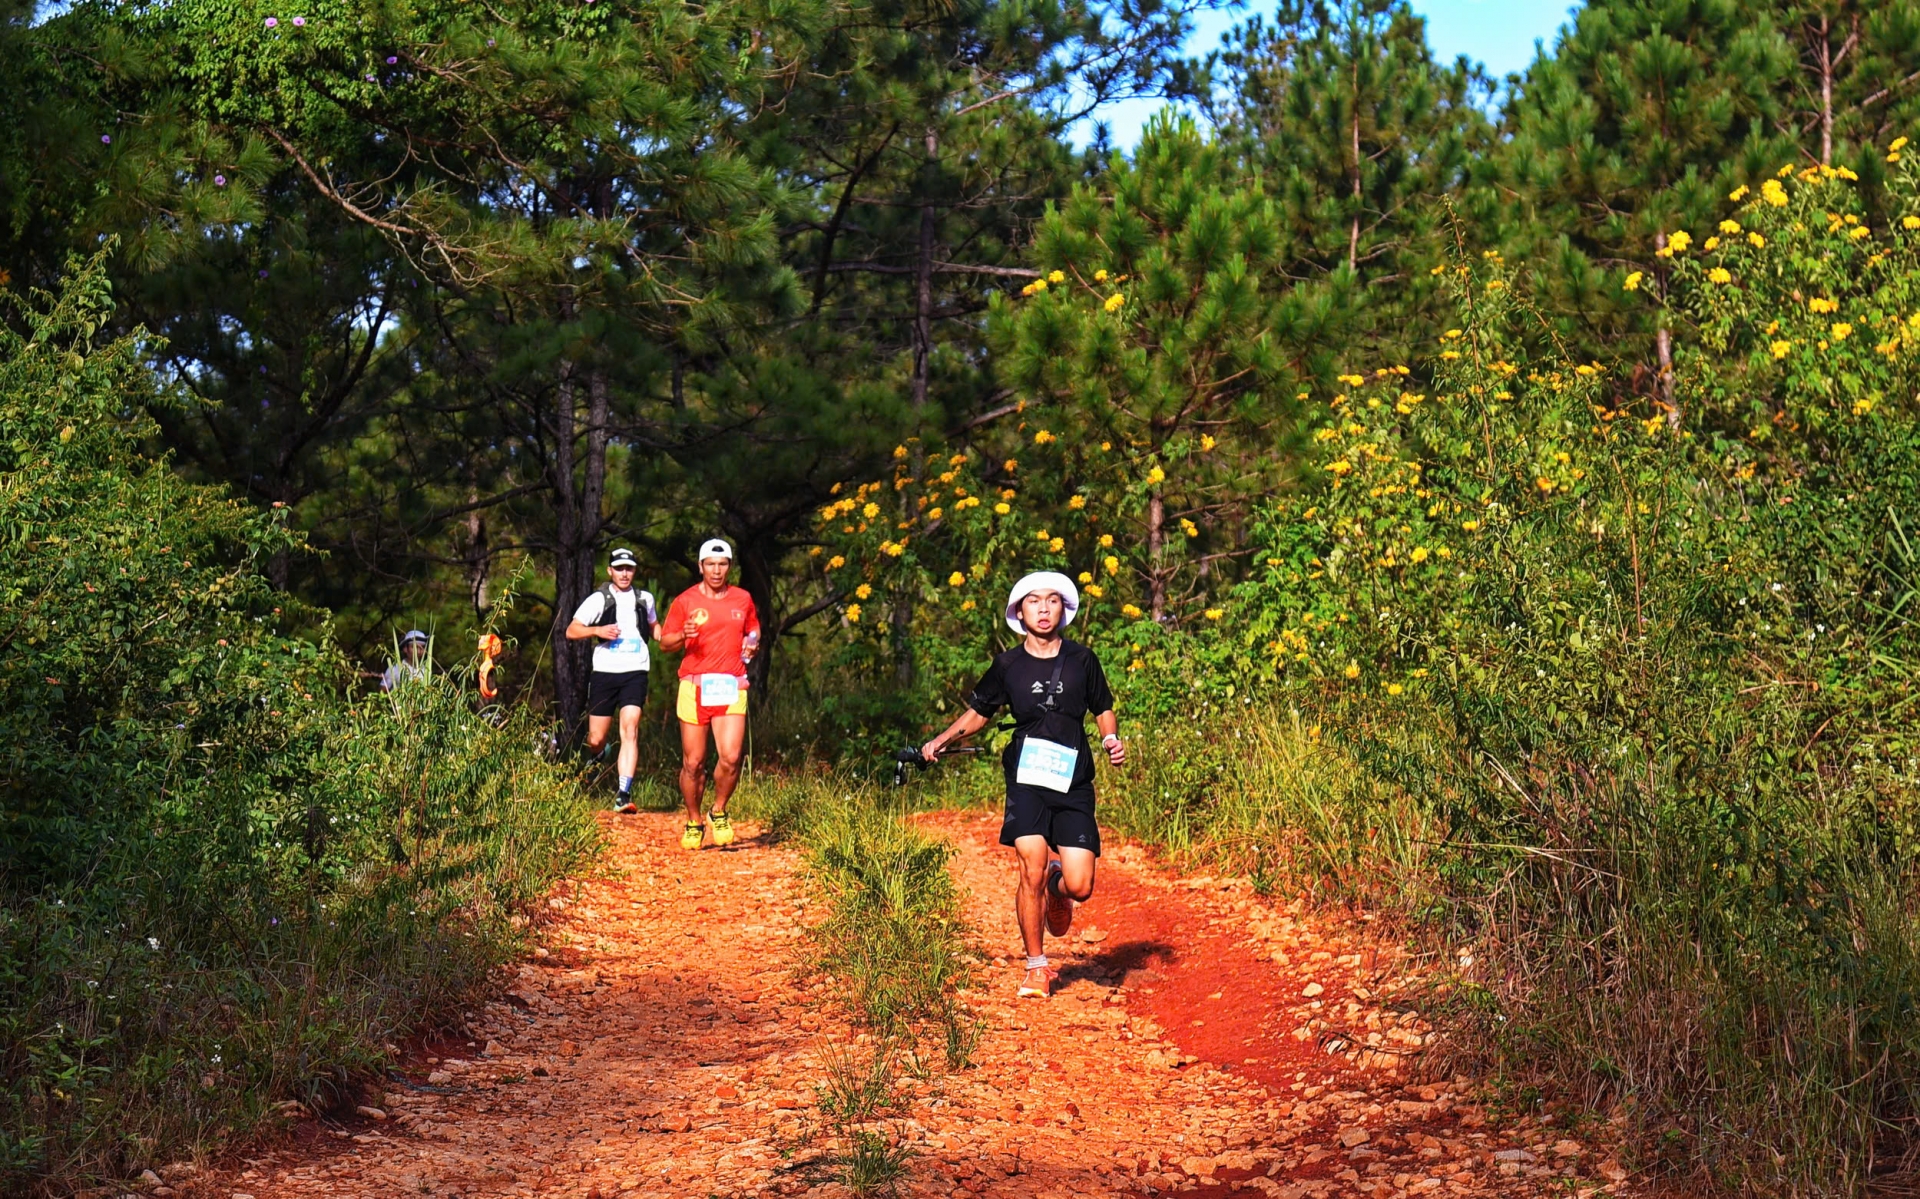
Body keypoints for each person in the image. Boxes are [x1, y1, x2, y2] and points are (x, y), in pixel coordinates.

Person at [918, 572, 1125, 1000]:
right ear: (1020, 612)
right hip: (1027, 778)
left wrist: (1109, 739)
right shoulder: (1007, 666)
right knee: (1029, 862)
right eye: (1034, 601)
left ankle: (1056, 886)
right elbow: (980, 712)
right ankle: (1037, 965)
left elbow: (1102, 706)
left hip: (1074, 780)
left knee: (1081, 885)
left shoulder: (1082, 659)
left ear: (1063, 610)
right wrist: (942, 739)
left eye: (1052, 601)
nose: (1044, 609)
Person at [658, 539, 760, 850]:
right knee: (694, 762)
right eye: (710, 564)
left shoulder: (743, 599)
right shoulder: (686, 601)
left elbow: (753, 630)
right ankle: (693, 820)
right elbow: (665, 642)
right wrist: (682, 635)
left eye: (723, 564)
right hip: (695, 684)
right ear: (701, 566)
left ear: (730, 566)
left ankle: (719, 811)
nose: (717, 570)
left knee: (730, 758)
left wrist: (752, 644)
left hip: (730, 683)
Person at [565, 547, 660, 814]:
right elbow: (571, 630)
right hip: (605, 673)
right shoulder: (599, 599)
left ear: (634, 571)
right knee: (596, 738)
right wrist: (598, 630)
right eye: (619, 568)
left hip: (635, 672)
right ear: (610, 571)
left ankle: (623, 794)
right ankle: (597, 754)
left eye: (629, 568)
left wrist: (671, 638)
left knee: (630, 729)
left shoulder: (645, 599)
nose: (624, 573)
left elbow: (654, 626)